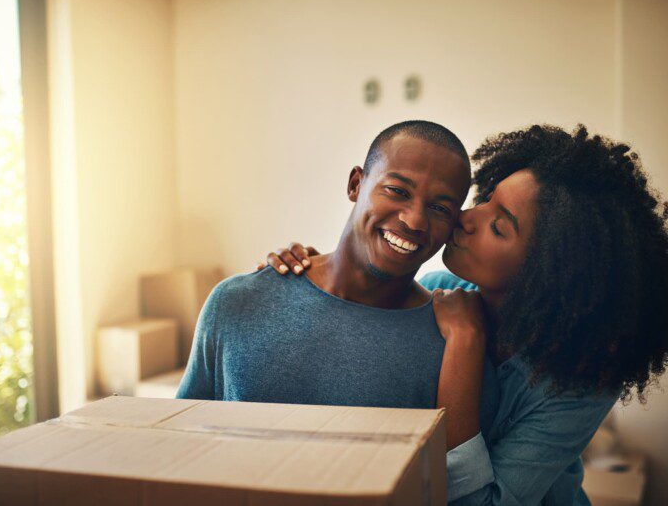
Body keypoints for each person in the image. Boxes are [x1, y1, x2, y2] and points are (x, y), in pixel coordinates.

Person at [261, 124, 668, 505]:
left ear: (548, 273)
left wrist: (465, 343)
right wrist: (305, 271)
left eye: (499, 226)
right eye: (485, 201)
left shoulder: (581, 379)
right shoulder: (438, 290)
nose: (466, 218)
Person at [176, 120, 500, 438]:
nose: (414, 220)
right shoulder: (235, 303)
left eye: (440, 208)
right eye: (397, 191)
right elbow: (179, 443)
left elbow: (454, 482)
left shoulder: (457, 349)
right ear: (355, 185)